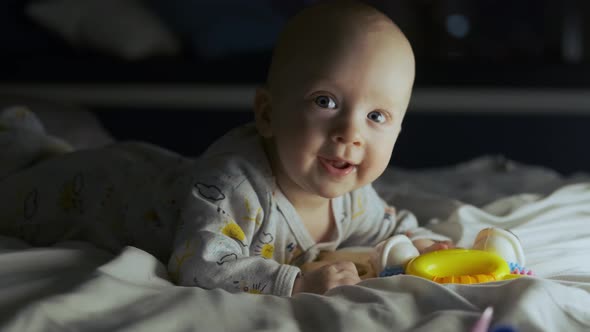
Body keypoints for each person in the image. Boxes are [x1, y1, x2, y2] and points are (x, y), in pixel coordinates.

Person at [0, 0, 452, 297]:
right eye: (325, 101)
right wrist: (295, 283)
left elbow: (383, 226)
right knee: (21, 192)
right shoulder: (237, 184)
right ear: (268, 114)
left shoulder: (351, 193)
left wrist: (415, 242)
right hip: (102, 193)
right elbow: (199, 266)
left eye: (377, 116)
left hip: (159, 172)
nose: (350, 133)